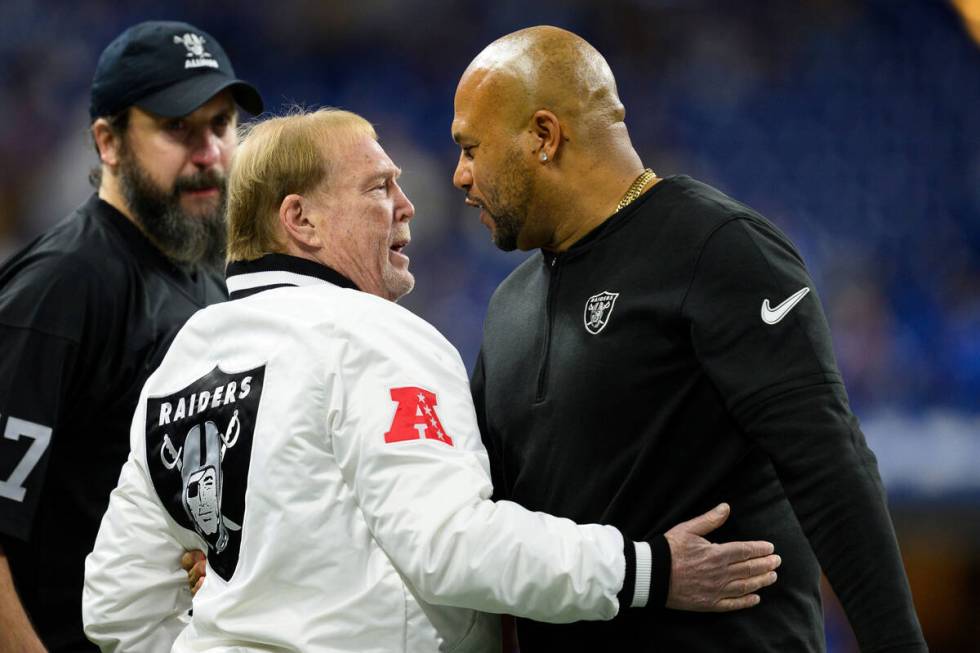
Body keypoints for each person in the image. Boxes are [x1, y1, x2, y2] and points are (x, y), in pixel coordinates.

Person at [83, 108, 781, 652]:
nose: (408, 205)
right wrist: (645, 569)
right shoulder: (373, 335)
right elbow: (453, 545)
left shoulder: (187, 358)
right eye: (379, 187)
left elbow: (114, 598)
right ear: (300, 220)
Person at [454, 26, 927, 652]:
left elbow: (829, 465)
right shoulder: (507, 307)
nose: (460, 175)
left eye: (470, 147)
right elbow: (498, 530)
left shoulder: (718, 246)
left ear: (544, 135)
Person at [0, 20, 262, 652]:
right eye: (178, 129)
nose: (209, 154)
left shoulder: (209, 278)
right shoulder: (64, 286)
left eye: (221, 124)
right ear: (108, 142)